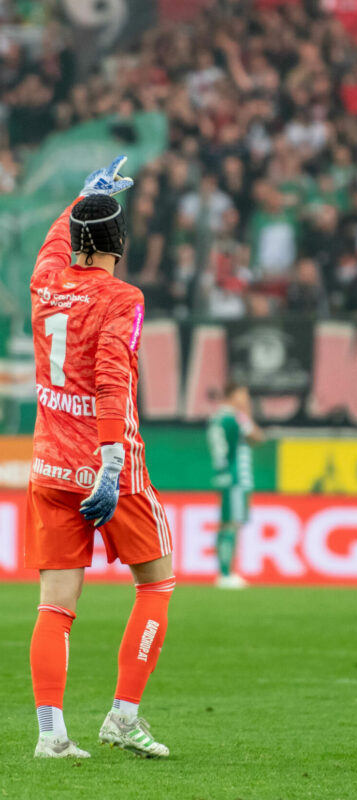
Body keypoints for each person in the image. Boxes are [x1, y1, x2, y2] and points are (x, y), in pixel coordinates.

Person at [25, 156, 173, 759]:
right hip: (112, 468)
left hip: (50, 466)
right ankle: (122, 716)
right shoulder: (123, 298)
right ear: (121, 242)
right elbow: (113, 381)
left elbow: (53, 243)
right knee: (157, 584)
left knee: (55, 605)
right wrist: (111, 465)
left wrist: (79, 200)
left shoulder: (44, 281)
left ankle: (51, 735)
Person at [207, 382, 265, 589]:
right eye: (243, 394)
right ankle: (226, 574)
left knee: (228, 523)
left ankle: (225, 572)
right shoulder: (235, 417)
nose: (246, 399)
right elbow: (257, 437)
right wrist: (247, 414)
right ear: (233, 395)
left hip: (225, 476)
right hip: (236, 477)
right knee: (231, 524)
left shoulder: (218, 417)